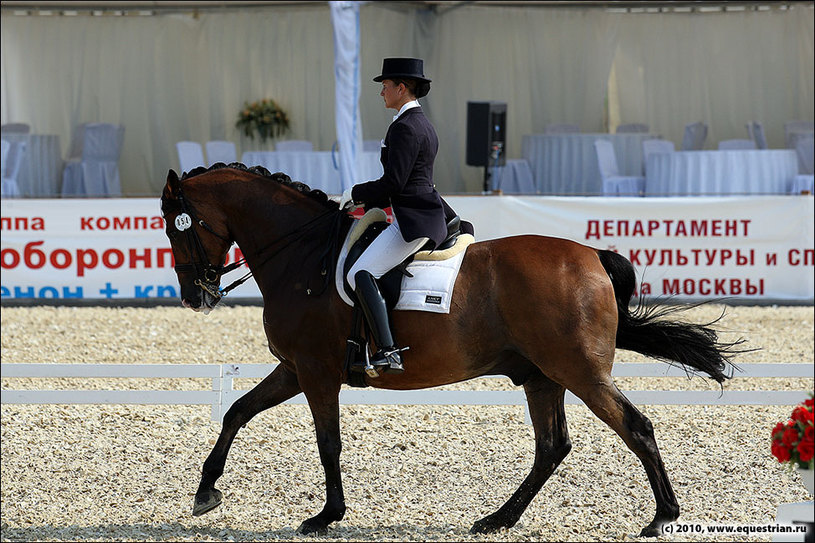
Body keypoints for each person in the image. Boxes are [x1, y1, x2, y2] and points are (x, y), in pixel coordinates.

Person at [339, 57, 468, 375]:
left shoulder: (406, 127)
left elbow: (394, 183)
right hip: (415, 210)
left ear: (402, 87)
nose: (381, 92)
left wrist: (356, 193)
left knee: (360, 273)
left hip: (414, 219)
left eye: (385, 86)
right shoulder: (418, 123)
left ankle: (388, 350)